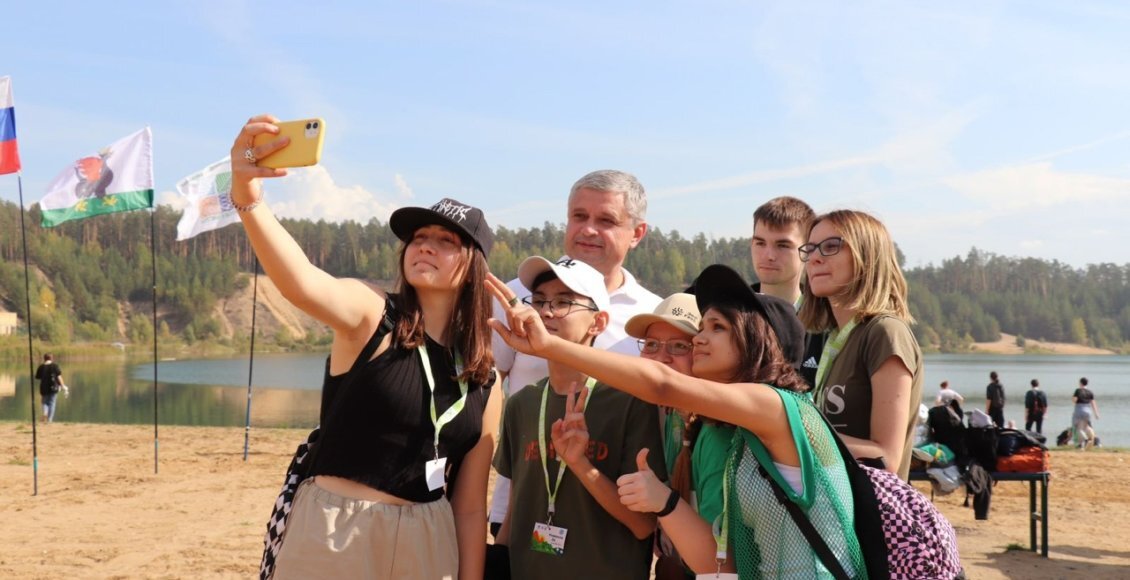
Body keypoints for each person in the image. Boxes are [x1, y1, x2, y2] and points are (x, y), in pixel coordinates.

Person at [231, 115, 502, 579]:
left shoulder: (485, 380)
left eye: (445, 241)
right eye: (418, 238)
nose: (425, 246)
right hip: (338, 529)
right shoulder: (372, 314)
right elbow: (301, 282)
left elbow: (471, 508)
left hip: (429, 537)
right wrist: (249, 200)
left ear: (473, 265)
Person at [489, 264, 865, 578]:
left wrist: (550, 346)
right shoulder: (723, 430)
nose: (700, 338)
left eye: (717, 328)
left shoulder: (776, 407)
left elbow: (662, 385)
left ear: (760, 341)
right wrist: (666, 503)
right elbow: (719, 565)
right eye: (701, 328)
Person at [488, 169, 662, 535]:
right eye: (579, 216)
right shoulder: (515, 296)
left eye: (606, 220)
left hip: (613, 521)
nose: (588, 230)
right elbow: (486, 389)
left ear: (637, 234)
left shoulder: (652, 316)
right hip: (520, 507)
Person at [492, 256, 665, 579]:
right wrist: (498, 558)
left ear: (598, 323)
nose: (546, 312)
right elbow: (517, 504)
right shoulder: (522, 403)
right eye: (540, 301)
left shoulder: (629, 402)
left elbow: (643, 526)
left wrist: (583, 466)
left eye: (563, 303)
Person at [797, 210, 924, 480]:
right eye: (810, 249)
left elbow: (885, 458)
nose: (815, 258)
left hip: (870, 516)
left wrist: (791, 434)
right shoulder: (832, 338)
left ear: (866, 255)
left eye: (831, 246)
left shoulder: (885, 332)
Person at [624, 293, 726, 579]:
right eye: (651, 345)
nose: (660, 357)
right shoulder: (672, 417)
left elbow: (720, 559)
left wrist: (664, 502)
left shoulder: (718, 431)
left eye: (680, 346)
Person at [749, 196, 824, 388]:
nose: (769, 256)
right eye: (760, 243)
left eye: (783, 245)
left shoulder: (826, 324)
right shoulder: (728, 315)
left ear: (807, 250)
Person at [1072, 377, 1100, 449]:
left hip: (1079, 410)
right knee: (1086, 427)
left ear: (1081, 383)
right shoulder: (1090, 392)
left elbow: (1074, 400)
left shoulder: (1078, 391)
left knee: (1078, 428)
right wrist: (1096, 413)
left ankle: (1085, 440)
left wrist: (1074, 399)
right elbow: (1093, 403)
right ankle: (1093, 439)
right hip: (1088, 410)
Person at [35, 353, 63, 423]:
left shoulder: (41, 367)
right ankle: (49, 420)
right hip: (53, 387)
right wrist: (62, 385)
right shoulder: (55, 366)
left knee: (44, 402)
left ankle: (45, 413)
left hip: (43, 387)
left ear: (44, 358)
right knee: (52, 403)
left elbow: (38, 377)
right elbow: (59, 377)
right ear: (52, 358)